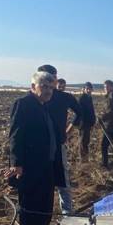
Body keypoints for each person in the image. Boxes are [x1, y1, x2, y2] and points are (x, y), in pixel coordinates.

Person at [7, 72, 59, 225]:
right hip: (30, 167)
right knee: (31, 207)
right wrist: (17, 163)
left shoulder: (45, 106)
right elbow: (15, 135)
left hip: (46, 166)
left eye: (51, 87)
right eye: (44, 86)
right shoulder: (23, 104)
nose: (48, 91)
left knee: (45, 206)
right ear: (33, 86)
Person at [46, 76, 81, 215]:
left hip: (56, 144)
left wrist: (68, 130)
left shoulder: (64, 97)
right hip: (46, 145)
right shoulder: (37, 99)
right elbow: (80, 113)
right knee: (60, 180)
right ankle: (66, 213)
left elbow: (80, 112)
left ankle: (66, 213)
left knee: (60, 179)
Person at [76, 82, 96, 160]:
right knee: (83, 142)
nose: (88, 90)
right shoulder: (82, 99)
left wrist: (93, 120)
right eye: (87, 89)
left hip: (88, 124)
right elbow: (80, 113)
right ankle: (83, 160)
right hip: (83, 124)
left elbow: (91, 110)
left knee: (86, 141)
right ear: (84, 89)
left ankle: (85, 158)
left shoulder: (89, 98)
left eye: (90, 89)